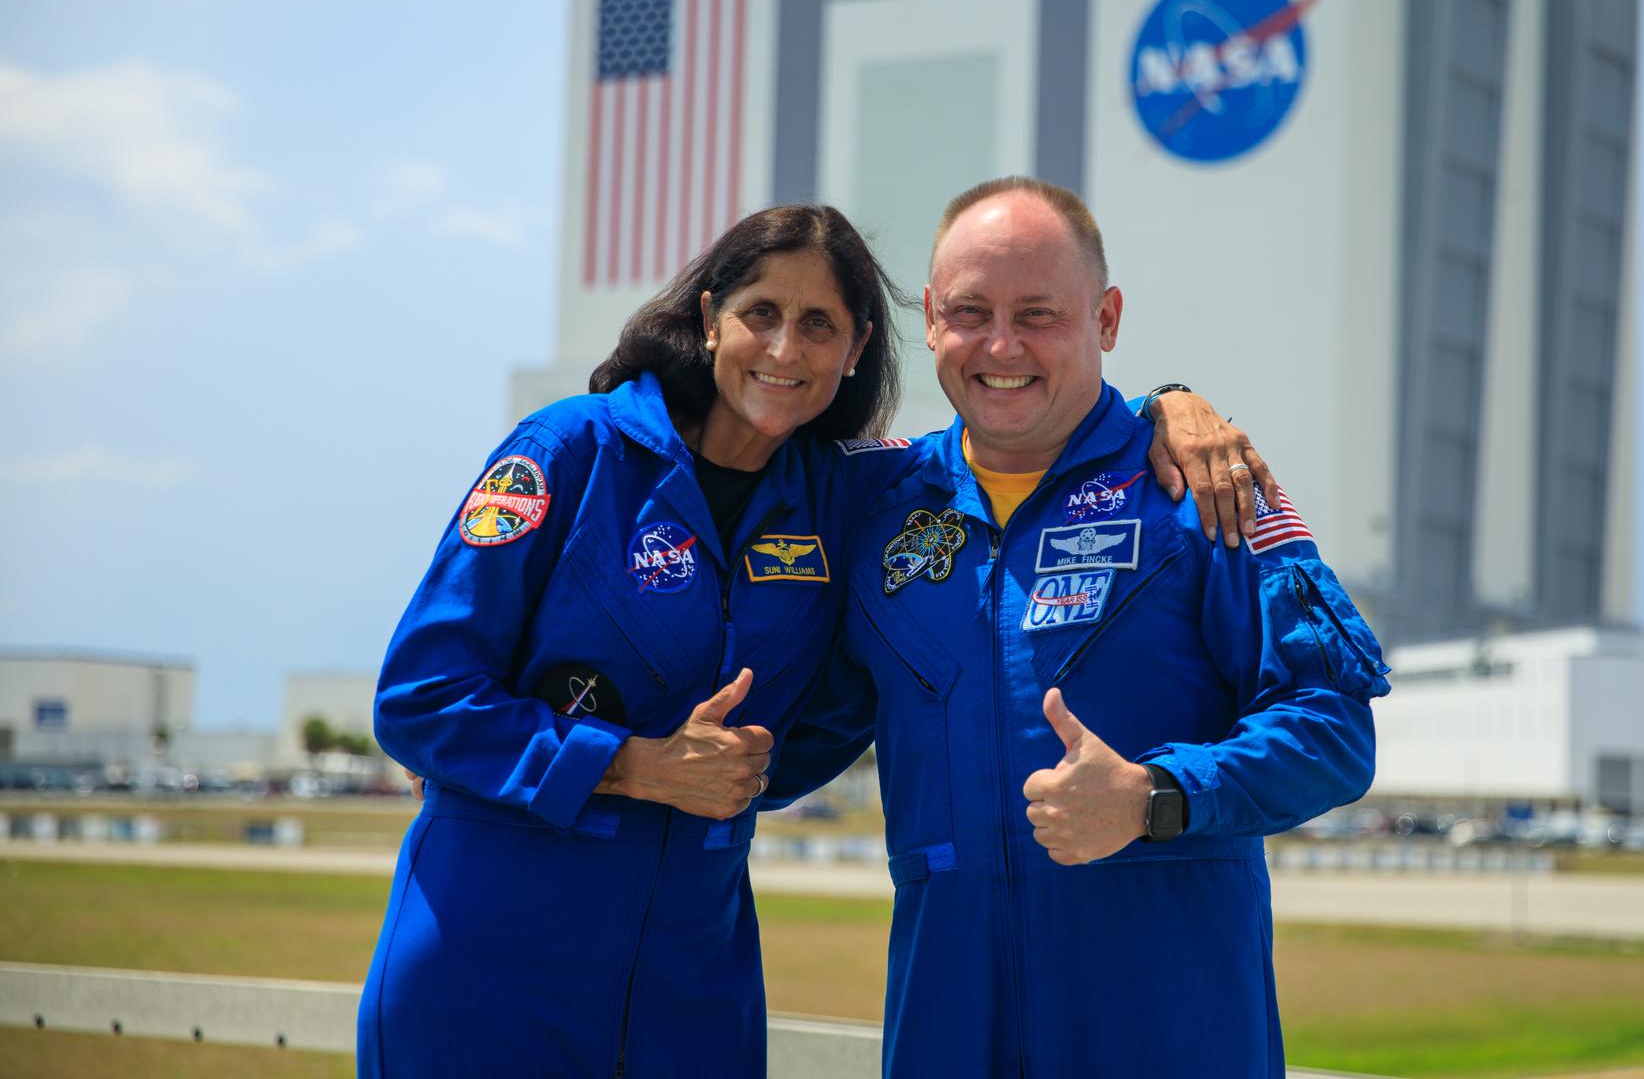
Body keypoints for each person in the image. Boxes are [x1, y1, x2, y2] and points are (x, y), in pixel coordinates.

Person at [357, 201, 1268, 1077]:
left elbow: (1025, 425)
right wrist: (631, 765)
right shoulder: (570, 450)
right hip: (494, 952)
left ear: (858, 347)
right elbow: (419, 699)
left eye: (821, 325)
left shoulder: (855, 495)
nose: (786, 350)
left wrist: (1168, 405)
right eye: (762, 313)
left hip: (691, 983)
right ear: (711, 317)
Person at [770, 177, 1392, 1078]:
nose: (1001, 345)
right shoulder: (876, 506)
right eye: (972, 312)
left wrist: (1156, 795)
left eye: (1039, 314)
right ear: (932, 319)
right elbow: (797, 722)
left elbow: (1334, 730)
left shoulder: (1202, 486)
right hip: (947, 1030)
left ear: (1106, 318)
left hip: (1170, 1035)